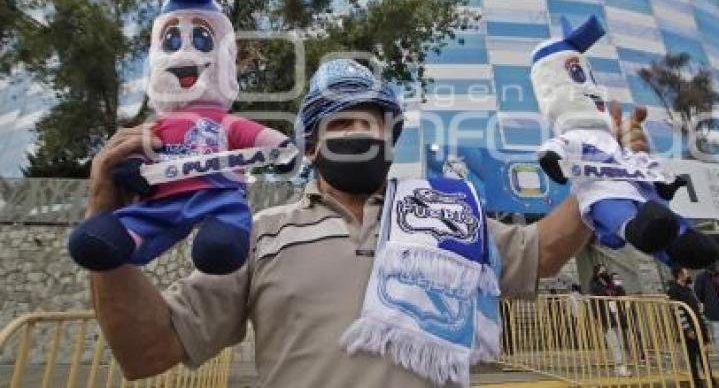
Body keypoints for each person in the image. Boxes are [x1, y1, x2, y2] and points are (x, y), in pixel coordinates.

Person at [82, 58, 651, 386]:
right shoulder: (262, 232)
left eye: (370, 123)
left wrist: (602, 176)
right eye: (339, 124)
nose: (357, 134)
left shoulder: (446, 213)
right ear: (309, 145)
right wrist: (103, 218)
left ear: (392, 137)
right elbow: (149, 349)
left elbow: (540, 253)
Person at [667, 266, 711, 388]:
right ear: (679, 275)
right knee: (692, 358)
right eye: (686, 273)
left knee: (704, 356)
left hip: (698, 325)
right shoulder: (673, 290)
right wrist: (687, 328)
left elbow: (697, 307)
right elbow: (677, 311)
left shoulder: (688, 289)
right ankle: (697, 383)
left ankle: (710, 381)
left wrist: (704, 324)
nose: (688, 275)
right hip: (689, 328)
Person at [589, 264, 631, 377]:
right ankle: (620, 365)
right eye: (601, 269)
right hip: (605, 315)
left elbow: (620, 293)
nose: (603, 271)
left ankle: (620, 366)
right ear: (596, 272)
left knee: (620, 340)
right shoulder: (594, 285)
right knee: (614, 342)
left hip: (616, 314)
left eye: (604, 269)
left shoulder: (611, 284)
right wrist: (597, 316)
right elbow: (596, 298)